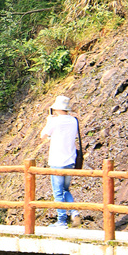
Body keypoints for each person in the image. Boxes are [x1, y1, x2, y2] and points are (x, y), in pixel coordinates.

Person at [38, 95, 80, 228]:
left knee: (57, 192)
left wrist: (48, 122)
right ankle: (74, 211)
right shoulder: (74, 120)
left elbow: (43, 136)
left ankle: (61, 220)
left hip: (57, 161)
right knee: (65, 189)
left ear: (56, 108)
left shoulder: (55, 122)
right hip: (70, 160)